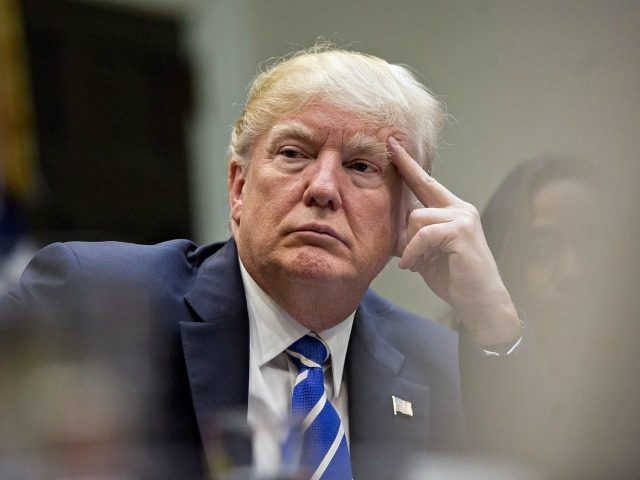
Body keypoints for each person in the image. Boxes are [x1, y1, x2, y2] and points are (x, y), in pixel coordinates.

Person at [1, 46, 540, 480]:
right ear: (238, 188)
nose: (323, 188)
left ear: (406, 216)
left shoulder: (439, 364)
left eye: (360, 166)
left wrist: (493, 318)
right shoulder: (97, 294)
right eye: (294, 153)